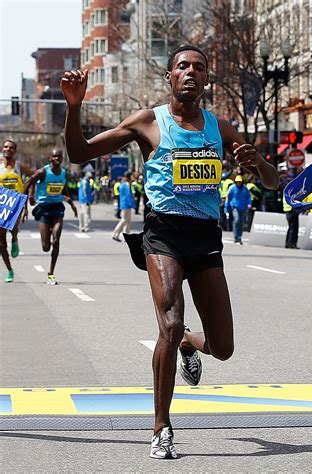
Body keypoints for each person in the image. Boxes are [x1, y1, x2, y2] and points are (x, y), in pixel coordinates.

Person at [60, 44, 279, 458]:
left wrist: (258, 163)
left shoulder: (222, 127)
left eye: (199, 67)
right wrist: (74, 107)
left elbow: (272, 182)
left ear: (207, 79)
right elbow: (79, 153)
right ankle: (162, 427)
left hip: (205, 238)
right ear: (170, 77)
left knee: (224, 347)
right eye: (183, 66)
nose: (191, 72)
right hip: (163, 235)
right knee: (170, 320)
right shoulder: (148, 122)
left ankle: (188, 345)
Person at [25, 149, 77, 285]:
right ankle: (47, 231)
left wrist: (72, 205)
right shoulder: (43, 172)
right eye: (54, 156)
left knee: (56, 240)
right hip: (43, 208)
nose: (57, 158)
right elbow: (29, 182)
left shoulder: (64, 174)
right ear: (49, 158)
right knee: (46, 247)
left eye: (59, 156)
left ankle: (51, 273)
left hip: (57, 208)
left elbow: (64, 190)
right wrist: (28, 199)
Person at [0, 140, 34, 279]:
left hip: (15, 205)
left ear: (15, 151)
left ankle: (14, 239)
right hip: (1, 206)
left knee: (13, 228)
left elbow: (34, 176)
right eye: (6, 147)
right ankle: (9, 270)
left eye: (11, 148)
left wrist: (30, 194)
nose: (8, 149)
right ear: (2, 149)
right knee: (1, 243)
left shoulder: (20, 166)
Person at [224, 175, 251, 244]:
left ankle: (239, 237)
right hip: (235, 207)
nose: (239, 183)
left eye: (240, 182)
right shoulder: (232, 188)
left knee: (241, 223)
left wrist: (249, 203)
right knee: (237, 220)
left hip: (243, 207)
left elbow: (248, 197)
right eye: (237, 182)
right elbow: (228, 198)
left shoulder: (245, 188)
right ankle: (236, 237)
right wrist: (226, 208)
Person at [112, 171, 135, 241]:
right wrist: (132, 204)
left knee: (127, 221)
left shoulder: (122, 184)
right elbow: (128, 195)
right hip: (126, 204)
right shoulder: (127, 184)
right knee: (124, 220)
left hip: (123, 203)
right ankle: (115, 234)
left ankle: (126, 236)